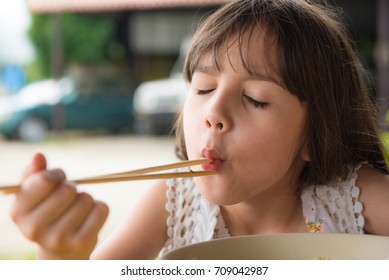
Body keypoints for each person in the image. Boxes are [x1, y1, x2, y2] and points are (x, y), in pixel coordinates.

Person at [9, 0, 389, 260]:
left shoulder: (351, 196)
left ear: (314, 133)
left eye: (255, 98)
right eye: (204, 89)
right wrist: (59, 255)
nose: (213, 113)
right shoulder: (174, 201)